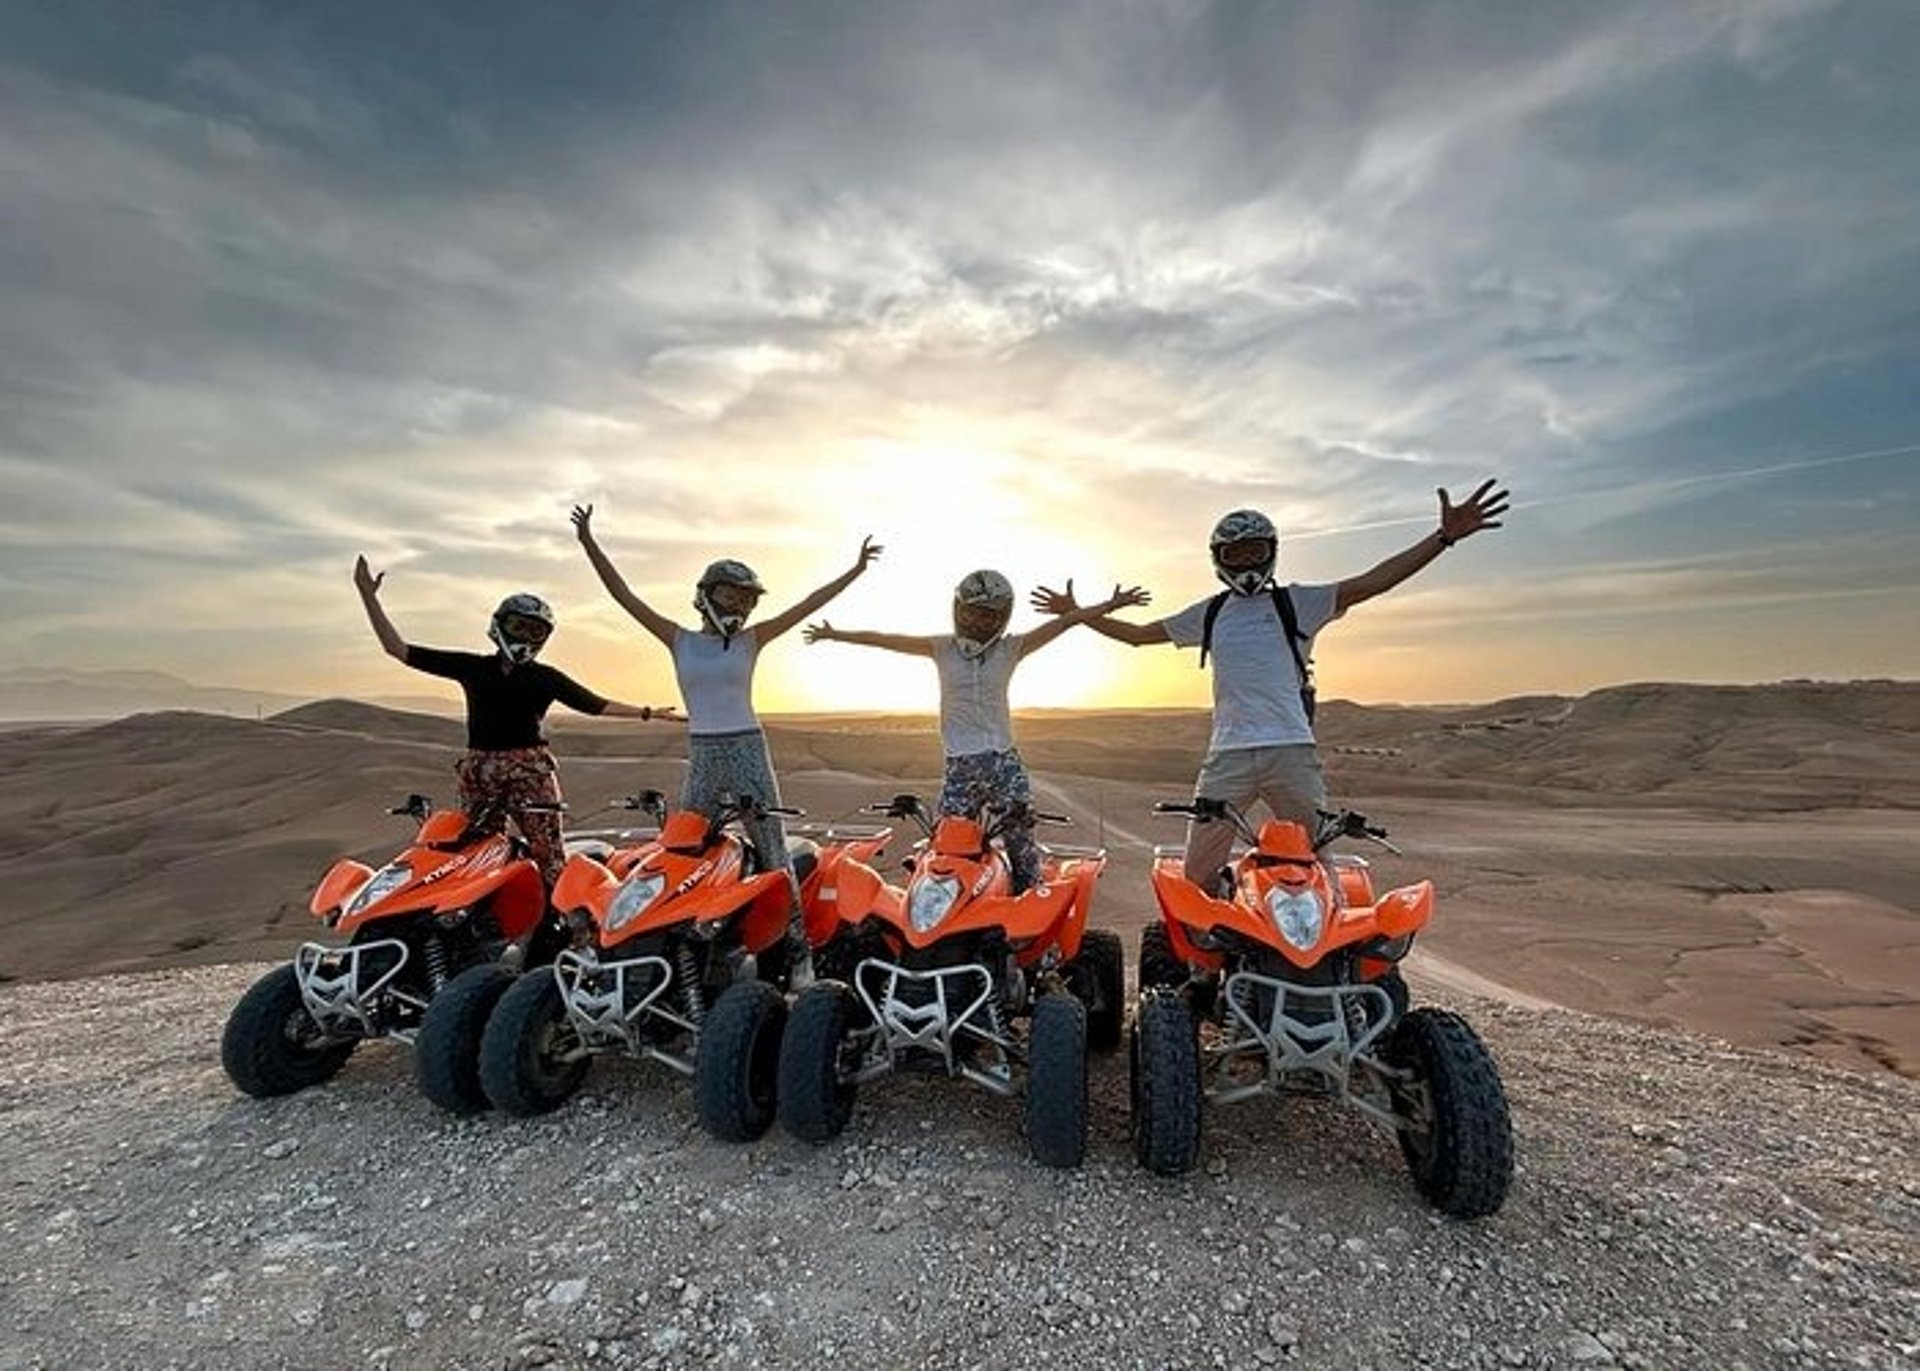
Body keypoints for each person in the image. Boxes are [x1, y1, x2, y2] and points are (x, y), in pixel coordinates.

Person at [1034, 481, 1509, 894]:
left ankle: (1326, 963)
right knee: (1197, 874)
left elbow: (1376, 581)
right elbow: (1138, 636)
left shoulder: (1299, 602)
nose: (1246, 563)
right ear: (1219, 560)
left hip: (1291, 750)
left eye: (1254, 552)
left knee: (1316, 864)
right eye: (1234, 555)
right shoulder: (1209, 613)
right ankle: (1211, 958)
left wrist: (1443, 538)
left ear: (1271, 552)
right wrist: (1077, 615)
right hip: (1228, 755)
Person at [570, 504, 882, 983]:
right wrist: (589, 542)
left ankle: (798, 955)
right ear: (705, 595)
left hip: (747, 750)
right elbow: (623, 595)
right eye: (730, 596)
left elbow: (807, 605)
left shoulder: (751, 640)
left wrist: (855, 570)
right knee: (685, 851)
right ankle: (689, 958)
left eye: (745, 600)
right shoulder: (678, 639)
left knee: (773, 851)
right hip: (703, 753)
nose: (738, 606)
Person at [352, 555, 678, 899]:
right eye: (520, 626)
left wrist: (648, 712)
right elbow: (398, 650)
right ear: (501, 625)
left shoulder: (545, 677)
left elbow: (593, 704)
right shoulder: (473, 667)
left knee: (549, 855)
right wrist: (368, 595)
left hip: (529, 772)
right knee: (476, 855)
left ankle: (565, 922)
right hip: (480, 772)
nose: (527, 637)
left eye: (537, 631)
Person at [805, 572, 1150, 892]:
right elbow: (886, 640)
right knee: (949, 846)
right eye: (972, 612)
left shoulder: (1011, 648)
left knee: (1020, 843)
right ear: (959, 610)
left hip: (1003, 764)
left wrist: (1109, 605)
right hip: (960, 767)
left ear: (1002, 617)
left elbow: (1065, 622)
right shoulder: (942, 648)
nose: (979, 621)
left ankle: (1026, 911)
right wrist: (836, 634)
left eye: (989, 615)